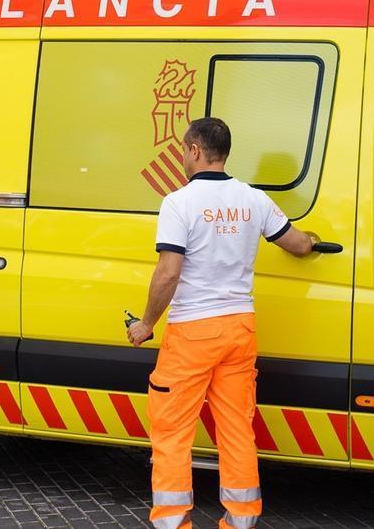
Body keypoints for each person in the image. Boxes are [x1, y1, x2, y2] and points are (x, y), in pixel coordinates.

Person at [127, 117, 314, 529]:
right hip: (239, 329)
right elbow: (298, 244)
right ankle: (241, 519)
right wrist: (315, 241)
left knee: (173, 430)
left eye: (182, 149)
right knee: (235, 428)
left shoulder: (179, 203)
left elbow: (168, 273)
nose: (181, 157)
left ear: (194, 150)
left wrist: (145, 323)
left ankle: (174, 521)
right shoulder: (253, 199)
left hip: (194, 331)